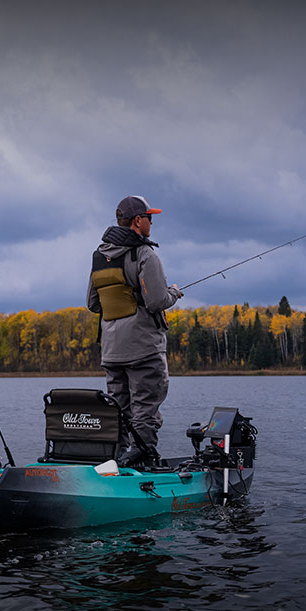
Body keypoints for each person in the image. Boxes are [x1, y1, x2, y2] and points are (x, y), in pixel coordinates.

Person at [87, 195, 182, 467]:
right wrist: (174, 293)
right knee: (145, 407)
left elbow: (93, 304)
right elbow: (156, 301)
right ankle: (144, 462)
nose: (151, 222)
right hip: (143, 348)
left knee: (118, 410)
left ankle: (116, 462)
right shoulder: (145, 254)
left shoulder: (100, 256)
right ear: (137, 221)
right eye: (149, 217)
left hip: (112, 351)